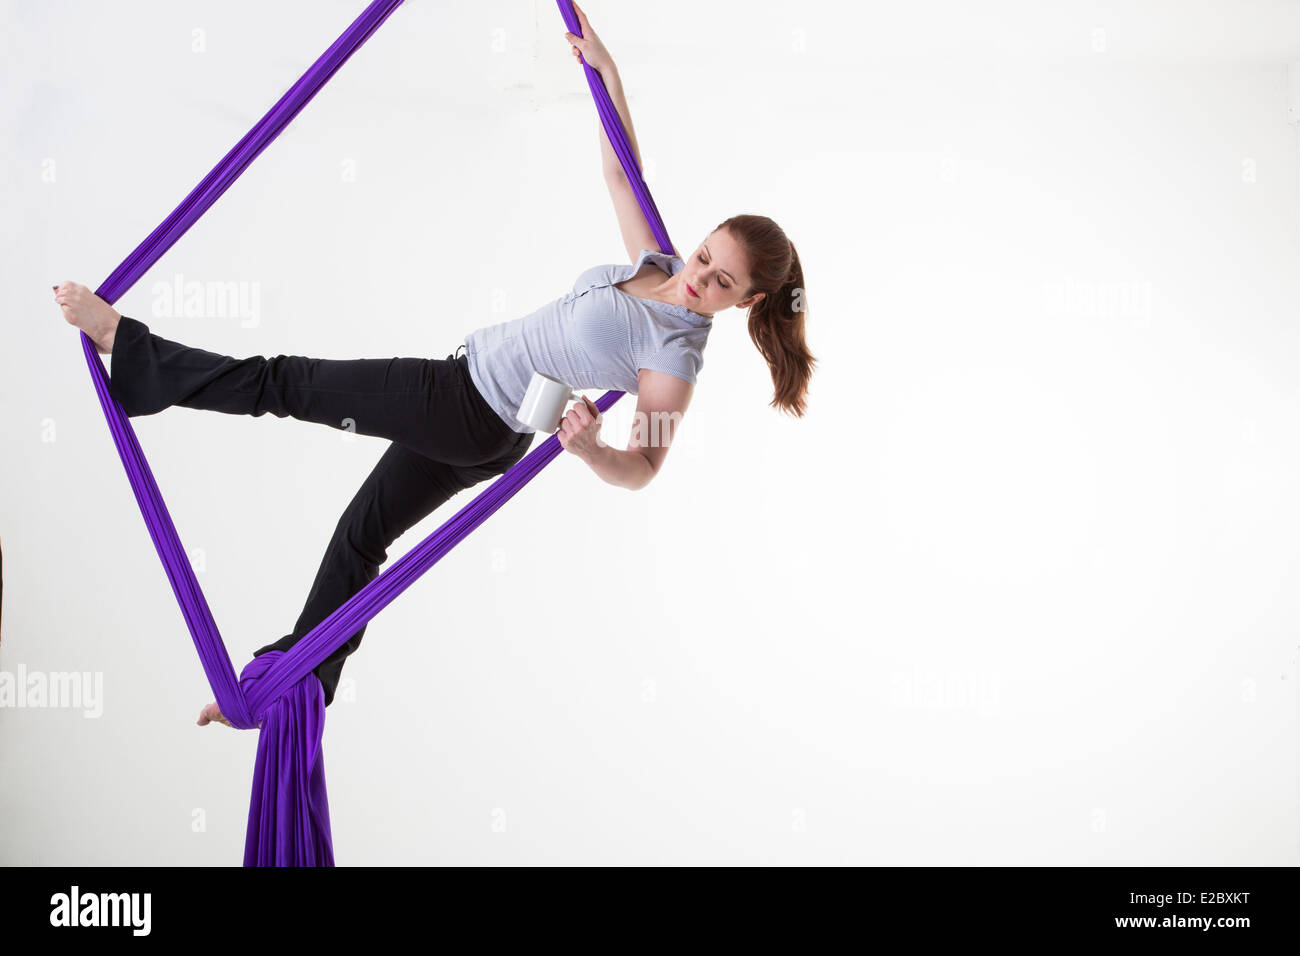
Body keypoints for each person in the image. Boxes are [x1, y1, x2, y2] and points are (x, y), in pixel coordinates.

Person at [53, 1, 815, 730]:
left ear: (745, 302)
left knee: (288, 381)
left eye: (719, 282)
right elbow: (621, 172)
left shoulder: (676, 356)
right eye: (706, 253)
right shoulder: (660, 261)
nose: (698, 277)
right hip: (483, 424)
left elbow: (645, 464)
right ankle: (301, 682)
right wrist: (607, 71)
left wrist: (590, 450)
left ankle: (133, 351)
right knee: (361, 533)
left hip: (464, 404)